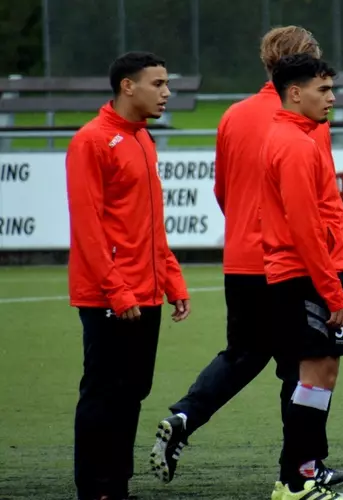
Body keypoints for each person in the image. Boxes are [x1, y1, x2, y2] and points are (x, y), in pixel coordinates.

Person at [149, 26, 343, 491]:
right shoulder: (305, 120)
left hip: (243, 259)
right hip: (295, 263)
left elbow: (223, 191)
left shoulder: (235, 115)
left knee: (242, 355)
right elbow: (307, 202)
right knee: (306, 367)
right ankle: (302, 471)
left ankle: (187, 416)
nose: (327, 90)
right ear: (301, 72)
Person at [65, 51, 191, 500]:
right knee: (103, 393)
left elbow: (150, 224)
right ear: (127, 87)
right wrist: (117, 290)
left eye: (166, 83)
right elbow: (89, 227)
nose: (166, 92)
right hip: (108, 297)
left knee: (133, 391)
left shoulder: (142, 139)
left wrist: (171, 279)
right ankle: (94, 488)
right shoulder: (91, 141)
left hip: (146, 292)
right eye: (158, 83)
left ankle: (116, 485)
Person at [261, 53, 343, 500]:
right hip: (307, 277)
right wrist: (332, 290)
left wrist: (339, 211)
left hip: (307, 274)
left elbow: (308, 213)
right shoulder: (296, 143)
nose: (332, 98)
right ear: (294, 92)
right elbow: (301, 227)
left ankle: (303, 472)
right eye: (323, 90)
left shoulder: (298, 136)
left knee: (321, 374)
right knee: (315, 376)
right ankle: (298, 480)